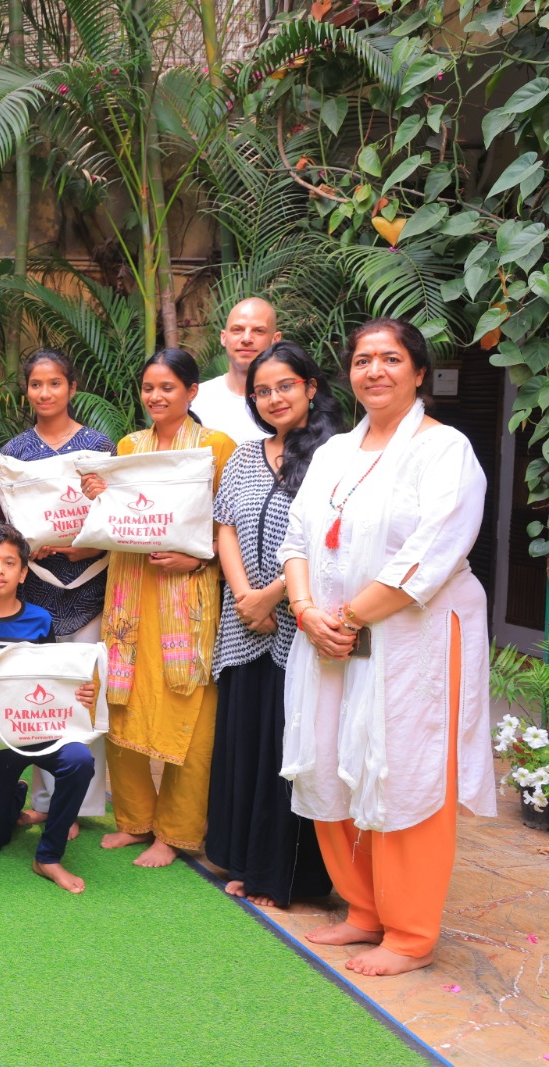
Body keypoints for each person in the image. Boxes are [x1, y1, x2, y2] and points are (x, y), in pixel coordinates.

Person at [280, 318, 493, 976]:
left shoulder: (445, 450)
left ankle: (409, 933)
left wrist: (346, 617)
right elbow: (296, 539)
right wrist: (306, 611)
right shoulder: (334, 453)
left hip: (409, 638)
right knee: (331, 758)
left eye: (391, 358)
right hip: (330, 635)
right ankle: (364, 908)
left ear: (419, 372)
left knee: (402, 770)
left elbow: (431, 553)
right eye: (363, 359)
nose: (375, 370)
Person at [79, 349, 236, 868]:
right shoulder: (129, 446)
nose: (156, 396)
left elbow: (228, 525)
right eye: (149, 387)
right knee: (122, 700)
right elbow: (117, 516)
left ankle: (176, 831)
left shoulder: (216, 446)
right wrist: (99, 494)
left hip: (185, 594)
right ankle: (134, 820)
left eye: (168, 387)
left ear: (191, 391)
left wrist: (197, 560)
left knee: (188, 714)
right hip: (129, 591)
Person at [208, 341, 338, 908]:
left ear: (310, 387)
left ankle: (279, 874)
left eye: (285, 386)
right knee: (245, 745)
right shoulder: (244, 456)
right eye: (262, 391)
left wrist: (271, 598)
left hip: (298, 628)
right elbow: (225, 528)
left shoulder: (335, 456)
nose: (273, 398)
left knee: (288, 752)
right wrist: (244, 598)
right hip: (243, 627)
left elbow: (329, 544)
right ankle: (240, 859)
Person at [0, 350, 114, 840]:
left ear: (71, 387)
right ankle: (46, 802)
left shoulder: (98, 445)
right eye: (36, 384)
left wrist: (90, 537)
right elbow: (7, 521)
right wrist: (28, 548)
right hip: (37, 590)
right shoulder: (14, 451)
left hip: (89, 585)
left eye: (54, 383)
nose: (44, 393)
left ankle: (79, 805)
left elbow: (117, 512)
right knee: (41, 695)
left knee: (83, 692)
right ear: (26, 390)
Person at [0, 524, 99, 893]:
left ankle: (48, 856)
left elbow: (54, 678)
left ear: (23, 572)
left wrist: (81, 693)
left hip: (35, 730)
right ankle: (14, 794)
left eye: (9, 562)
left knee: (79, 760)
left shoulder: (40, 619)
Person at [189, 298, 281, 443]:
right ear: (223, 337)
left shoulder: (286, 403)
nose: (246, 339)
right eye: (237, 330)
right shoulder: (195, 400)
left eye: (258, 331)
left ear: (275, 340)